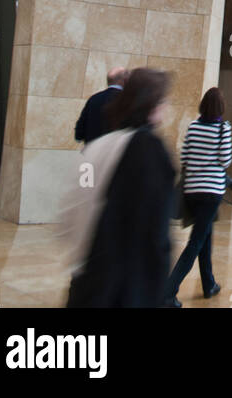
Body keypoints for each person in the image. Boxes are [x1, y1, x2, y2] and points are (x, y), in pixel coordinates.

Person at [64, 67, 175, 308]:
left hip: (86, 277)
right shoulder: (149, 149)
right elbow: (154, 237)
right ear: (152, 104)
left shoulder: (96, 140)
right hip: (121, 289)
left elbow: (73, 212)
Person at [166, 87, 232, 307]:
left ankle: (209, 283)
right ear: (221, 107)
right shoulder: (223, 129)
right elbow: (225, 161)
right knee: (195, 243)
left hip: (192, 190)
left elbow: (184, 157)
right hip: (212, 191)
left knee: (205, 237)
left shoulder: (194, 127)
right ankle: (167, 292)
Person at [75, 68, 129, 145]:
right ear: (125, 80)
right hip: (115, 149)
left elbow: (82, 122)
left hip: (92, 149)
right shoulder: (128, 99)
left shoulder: (94, 98)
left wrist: (79, 137)